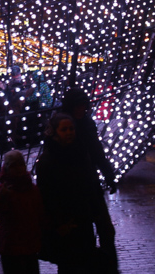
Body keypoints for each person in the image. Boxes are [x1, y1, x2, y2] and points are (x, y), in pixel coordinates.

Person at [59, 87, 118, 272]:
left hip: (90, 183)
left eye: (84, 106)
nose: (82, 110)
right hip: (73, 190)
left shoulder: (85, 123)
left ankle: (108, 267)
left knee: (105, 230)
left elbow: (97, 151)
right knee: (82, 235)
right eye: (79, 106)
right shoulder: (63, 125)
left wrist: (108, 174)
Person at [0, 150, 43, 274]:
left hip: (28, 243)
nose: (19, 168)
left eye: (21, 164)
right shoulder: (5, 189)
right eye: (14, 165)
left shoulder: (32, 189)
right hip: (11, 245)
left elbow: (40, 212)